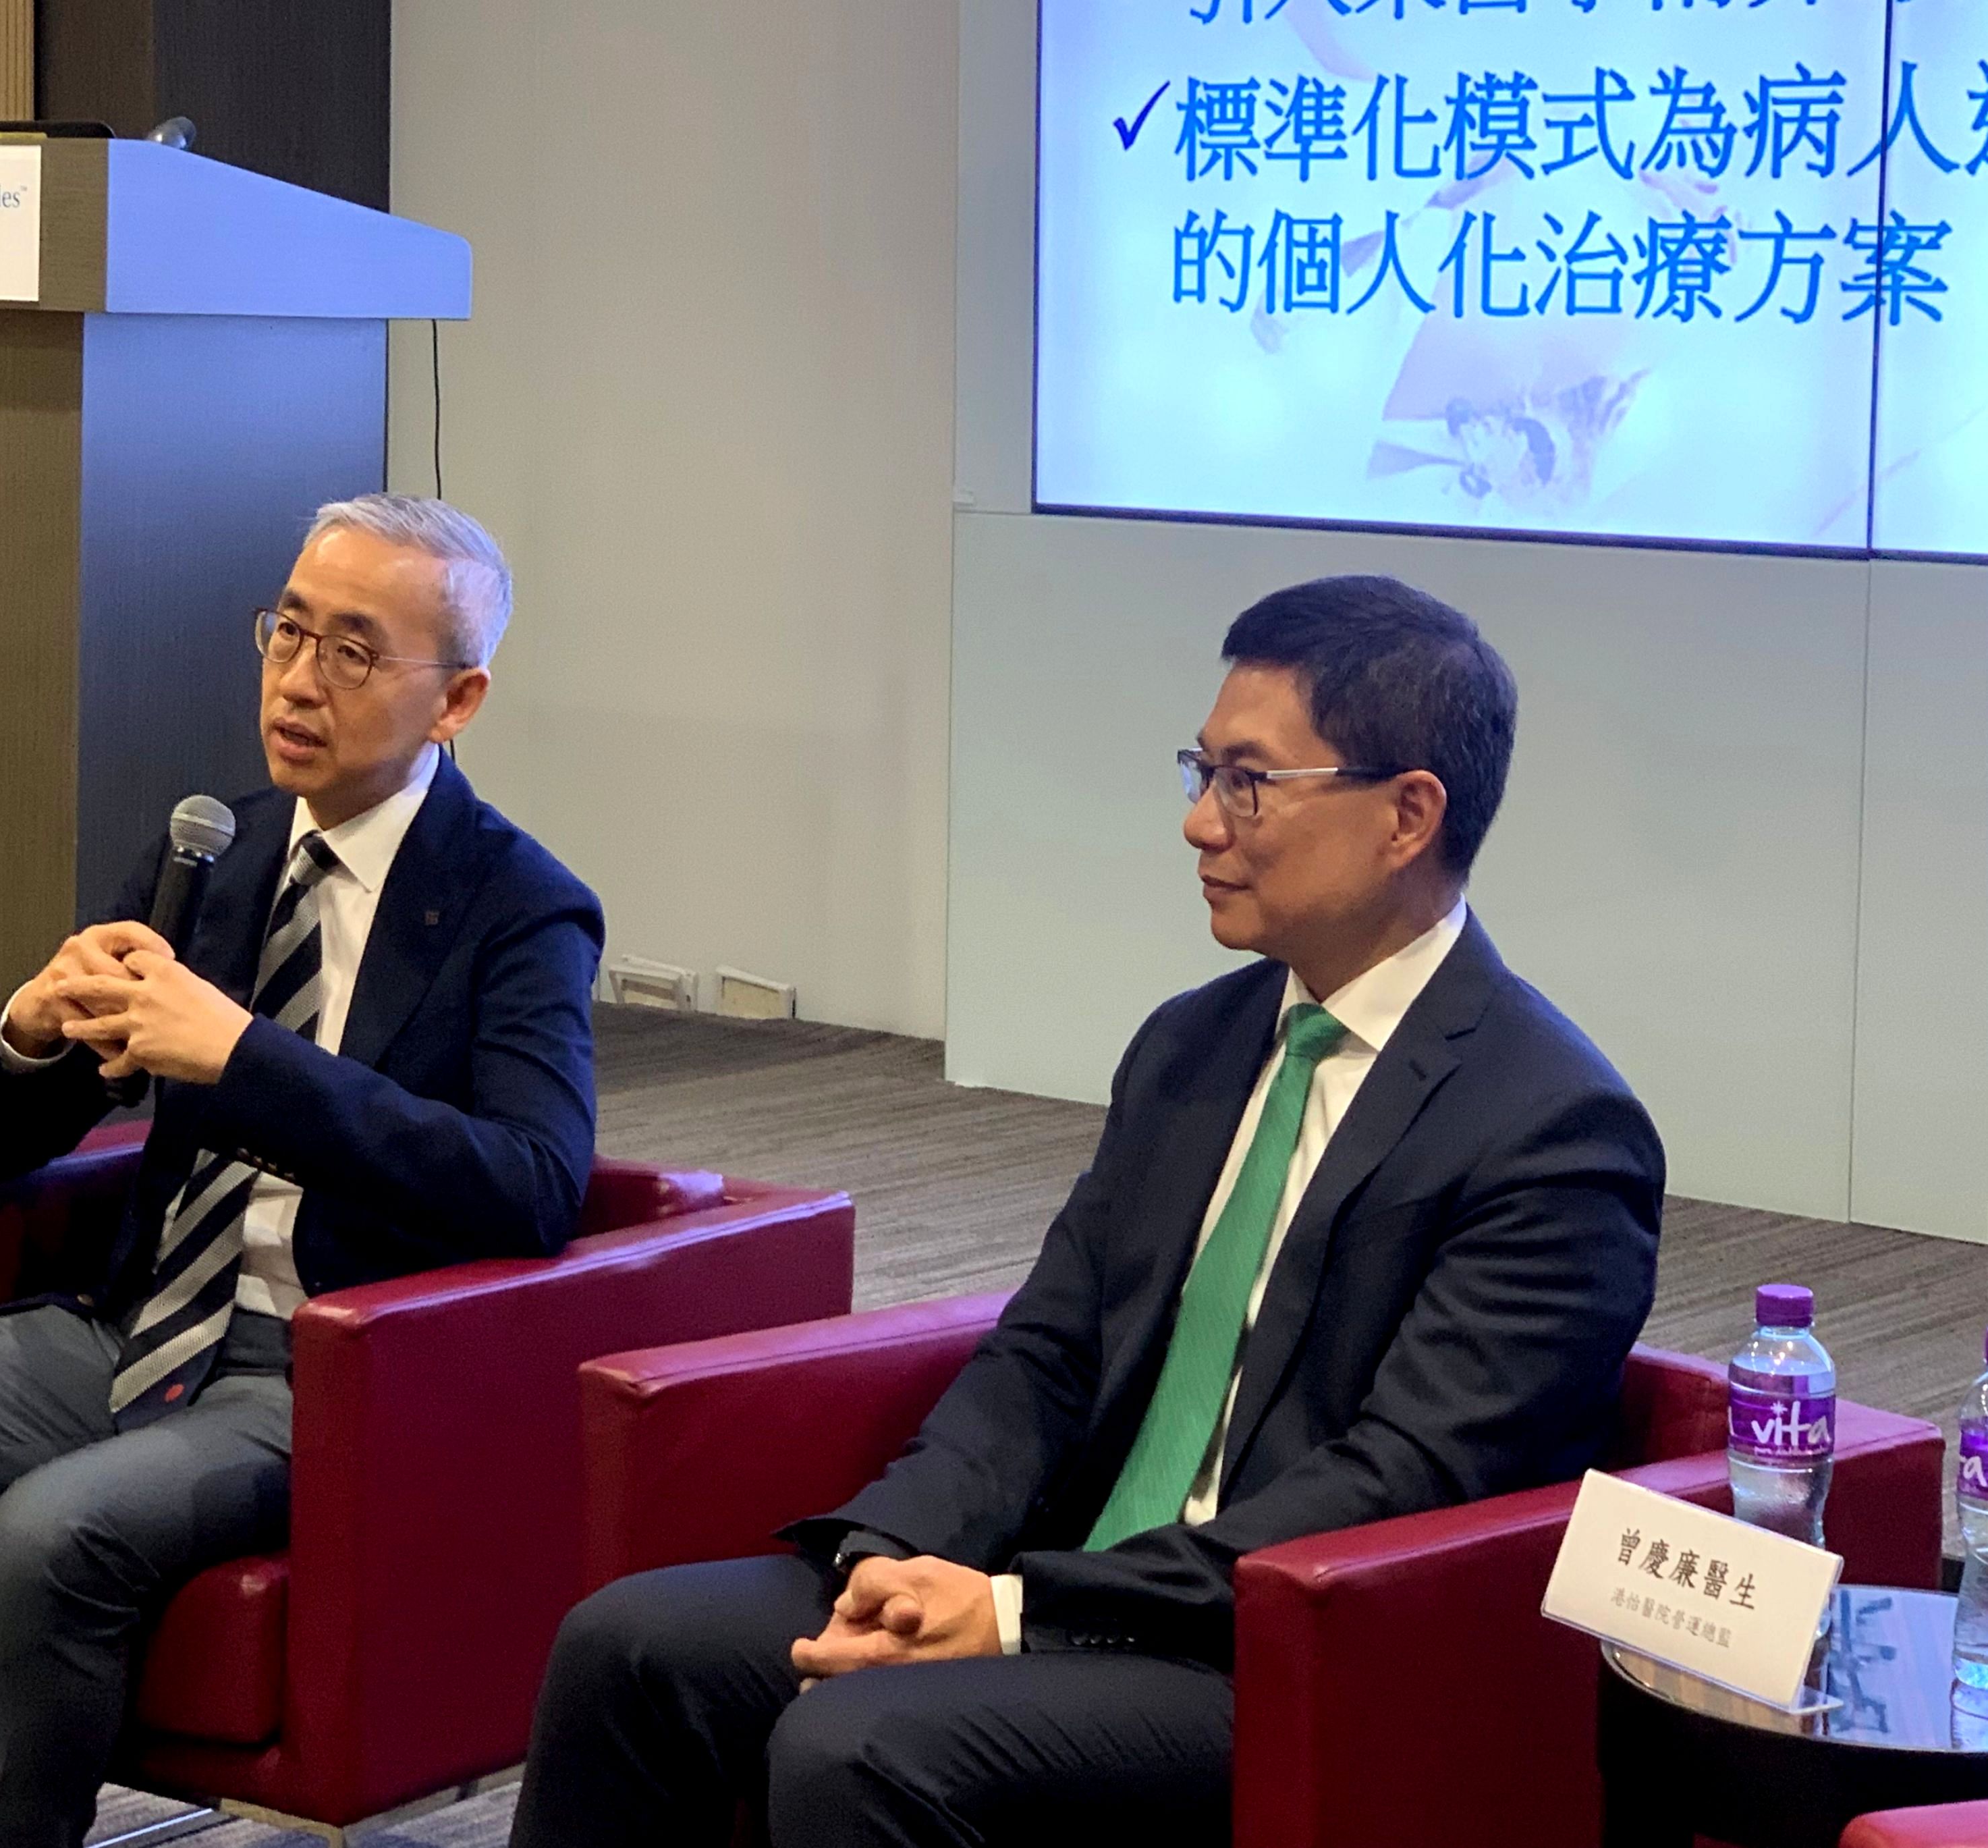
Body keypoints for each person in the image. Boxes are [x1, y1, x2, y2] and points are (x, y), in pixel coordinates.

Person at [512, 574, 1661, 1848]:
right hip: (1063, 1572)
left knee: (859, 1746)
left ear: (1407, 814)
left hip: (1271, 1655)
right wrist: (894, 1550)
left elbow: (1407, 1481)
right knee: (629, 1647)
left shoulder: (1551, 1126)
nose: (1199, 823)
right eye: (1202, 771)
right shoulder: (1192, 1045)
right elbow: (1048, 1351)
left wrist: (1019, 1614)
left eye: (1248, 782)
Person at [0, 493, 603, 1848]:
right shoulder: (218, 852)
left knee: (45, 1533)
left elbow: (535, 1181)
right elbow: (6, 1136)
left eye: (352, 652)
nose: (297, 681)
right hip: (137, 1322)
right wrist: (27, 1034)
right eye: (287, 632)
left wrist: (247, 1057)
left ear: (456, 700)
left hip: (323, 1366)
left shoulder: (517, 905)